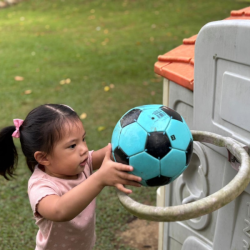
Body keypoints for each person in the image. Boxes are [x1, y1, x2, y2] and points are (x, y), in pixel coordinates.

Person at [0, 104, 142, 250]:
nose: (84, 149)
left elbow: (112, 152)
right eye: (72, 146)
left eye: (83, 139)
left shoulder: (82, 164)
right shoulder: (40, 186)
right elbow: (59, 210)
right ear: (43, 158)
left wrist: (135, 143)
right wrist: (99, 179)